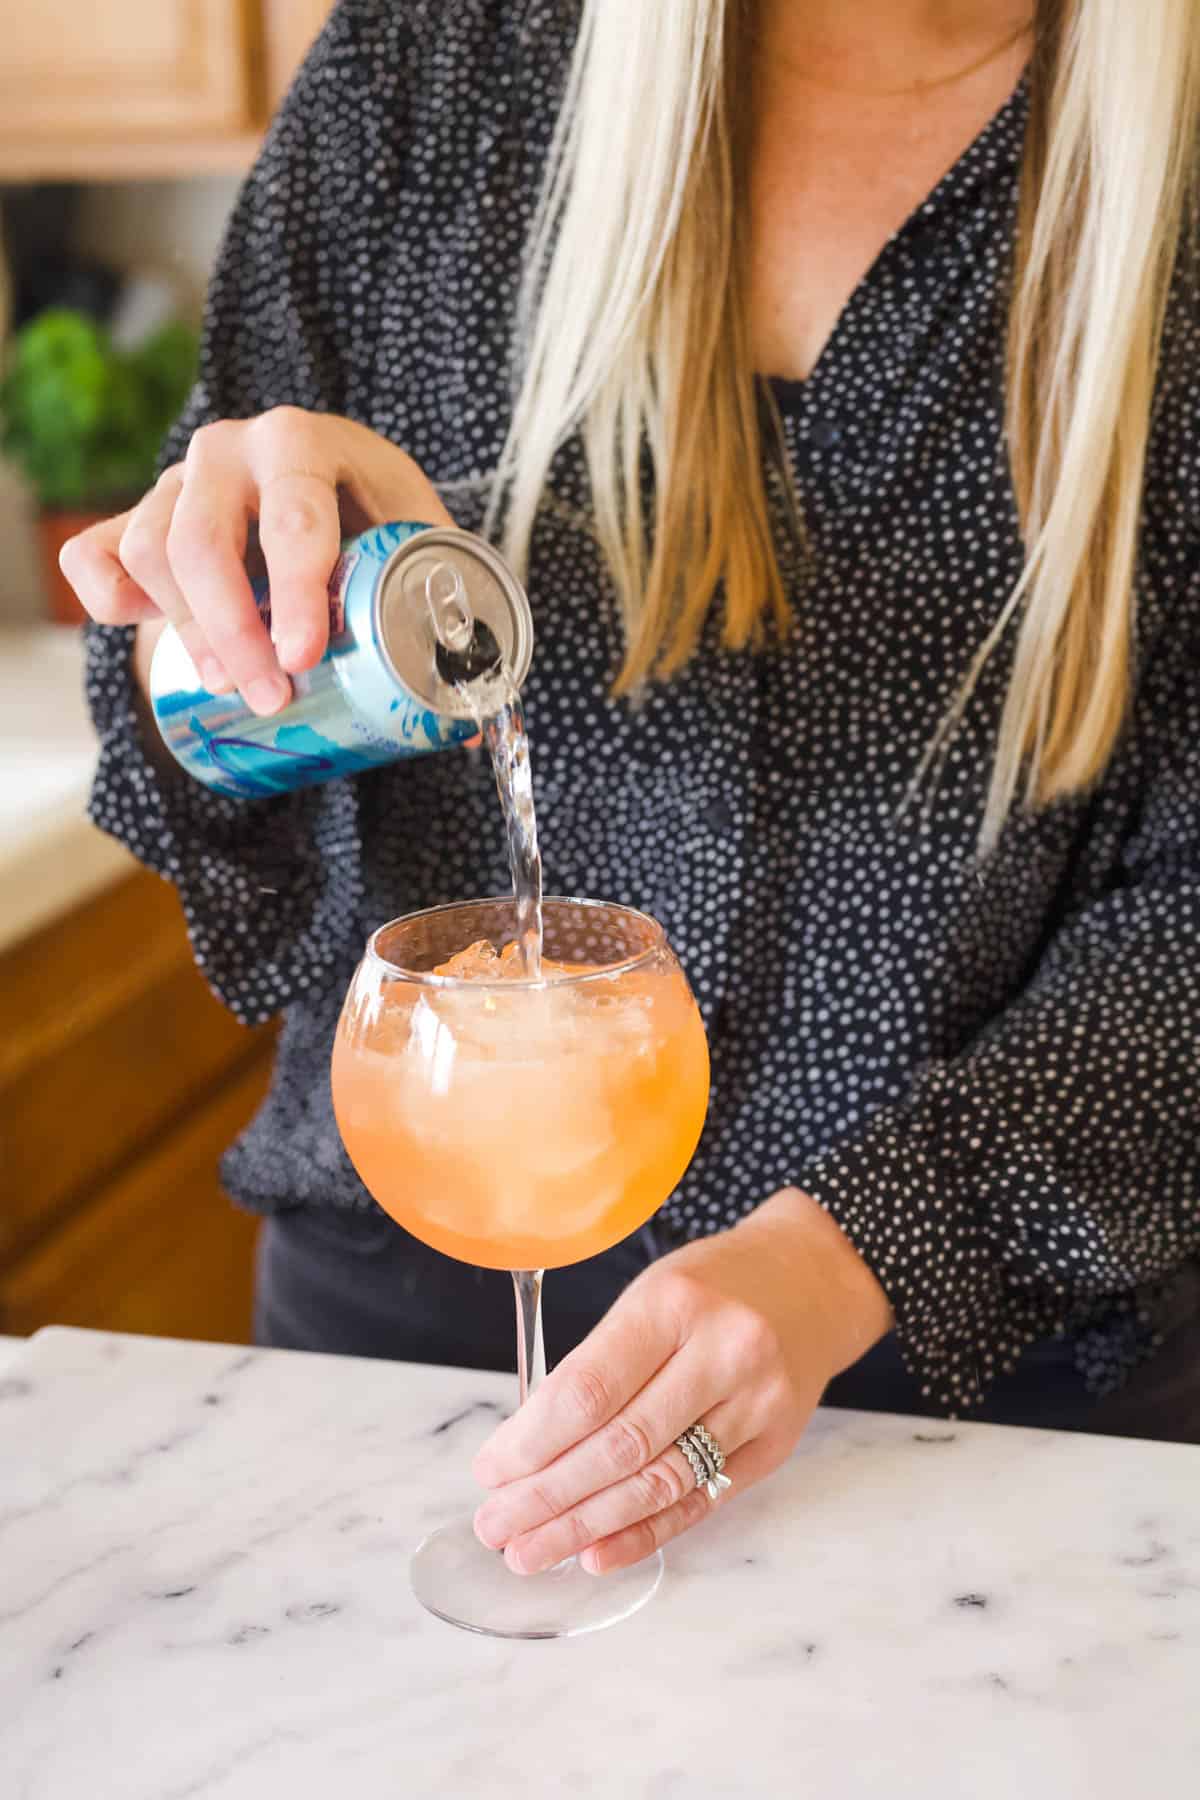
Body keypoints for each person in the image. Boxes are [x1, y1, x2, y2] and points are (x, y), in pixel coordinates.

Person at [65, 0, 1199, 1582]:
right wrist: (248, 649)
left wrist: (858, 1252)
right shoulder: (440, 62)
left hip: (983, 1404)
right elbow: (171, 735)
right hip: (402, 1369)